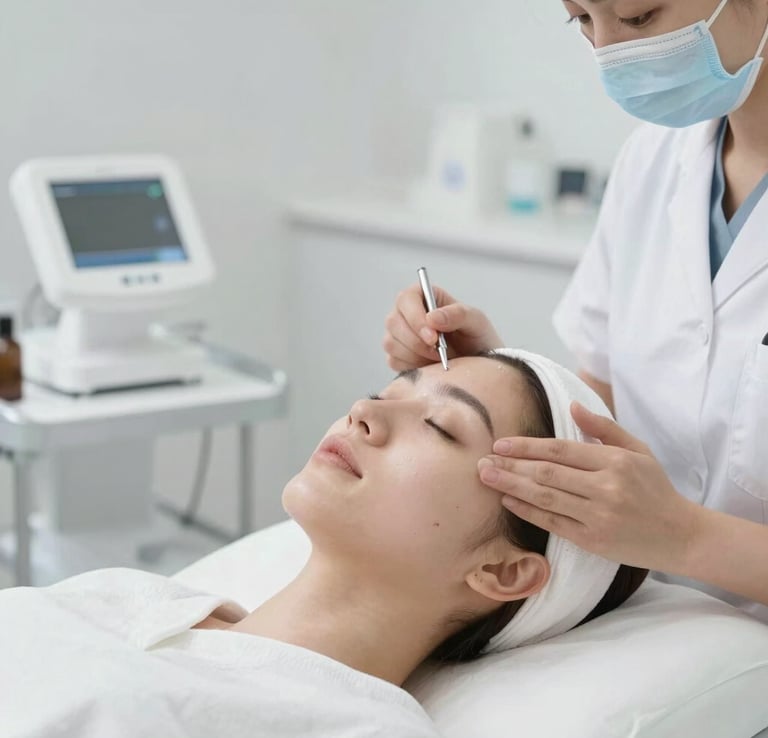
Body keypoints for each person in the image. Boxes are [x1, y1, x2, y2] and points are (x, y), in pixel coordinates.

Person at [1, 351, 646, 737]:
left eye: (440, 426)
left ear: (503, 571)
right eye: (386, 391)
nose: (364, 413)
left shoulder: (352, 727)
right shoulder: (134, 596)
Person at [382, 0, 768, 626]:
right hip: (652, 627)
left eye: (638, 17)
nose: (610, 50)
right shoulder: (653, 162)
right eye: (582, 20)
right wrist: (496, 376)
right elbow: (605, 406)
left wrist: (686, 538)